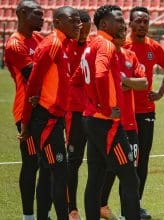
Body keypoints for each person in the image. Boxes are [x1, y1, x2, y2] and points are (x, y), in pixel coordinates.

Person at [19, 6, 81, 220]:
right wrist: (26, 123)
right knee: (59, 173)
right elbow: (33, 84)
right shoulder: (52, 45)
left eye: (78, 21)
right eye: (72, 20)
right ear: (57, 23)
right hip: (46, 120)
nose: (78, 24)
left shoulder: (65, 44)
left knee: (47, 174)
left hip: (56, 118)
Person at [81, 5, 140, 220]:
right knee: (130, 179)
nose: (123, 23)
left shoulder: (90, 45)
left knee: (95, 178)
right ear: (104, 24)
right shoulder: (105, 45)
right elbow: (99, 74)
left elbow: (77, 79)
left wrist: (91, 103)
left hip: (91, 120)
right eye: (118, 19)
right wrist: (106, 107)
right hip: (106, 123)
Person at [3, 1, 51, 219]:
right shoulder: (14, 45)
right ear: (22, 13)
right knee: (32, 163)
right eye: (38, 14)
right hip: (27, 113)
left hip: (46, 109)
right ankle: (28, 215)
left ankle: (43, 212)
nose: (43, 19)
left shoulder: (39, 40)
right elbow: (34, 76)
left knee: (48, 163)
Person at [124, 6, 164, 219]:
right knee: (120, 161)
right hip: (123, 113)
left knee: (141, 160)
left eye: (146, 21)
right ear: (130, 23)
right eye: (139, 21)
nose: (142, 25)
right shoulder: (123, 45)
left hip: (146, 112)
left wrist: (160, 92)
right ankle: (105, 204)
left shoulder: (154, 47)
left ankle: (135, 205)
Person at [65, 9, 91, 220]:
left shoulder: (94, 46)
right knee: (74, 160)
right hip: (73, 111)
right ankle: (71, 208)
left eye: (87, 27)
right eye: (80, 27)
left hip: (94, 111)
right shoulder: (65, 46)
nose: (83, 32)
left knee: (98, 161)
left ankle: (98, 205)